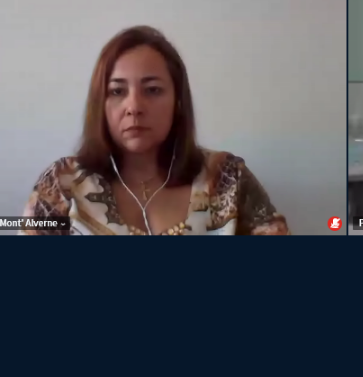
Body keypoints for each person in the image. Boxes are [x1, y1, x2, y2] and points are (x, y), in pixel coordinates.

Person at [23, 26, 288, 234]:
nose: (134, 107)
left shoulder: (228, 179)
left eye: (152, 90)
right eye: (117, 91)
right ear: (99, 104)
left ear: (178, 102)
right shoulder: (61, 185)